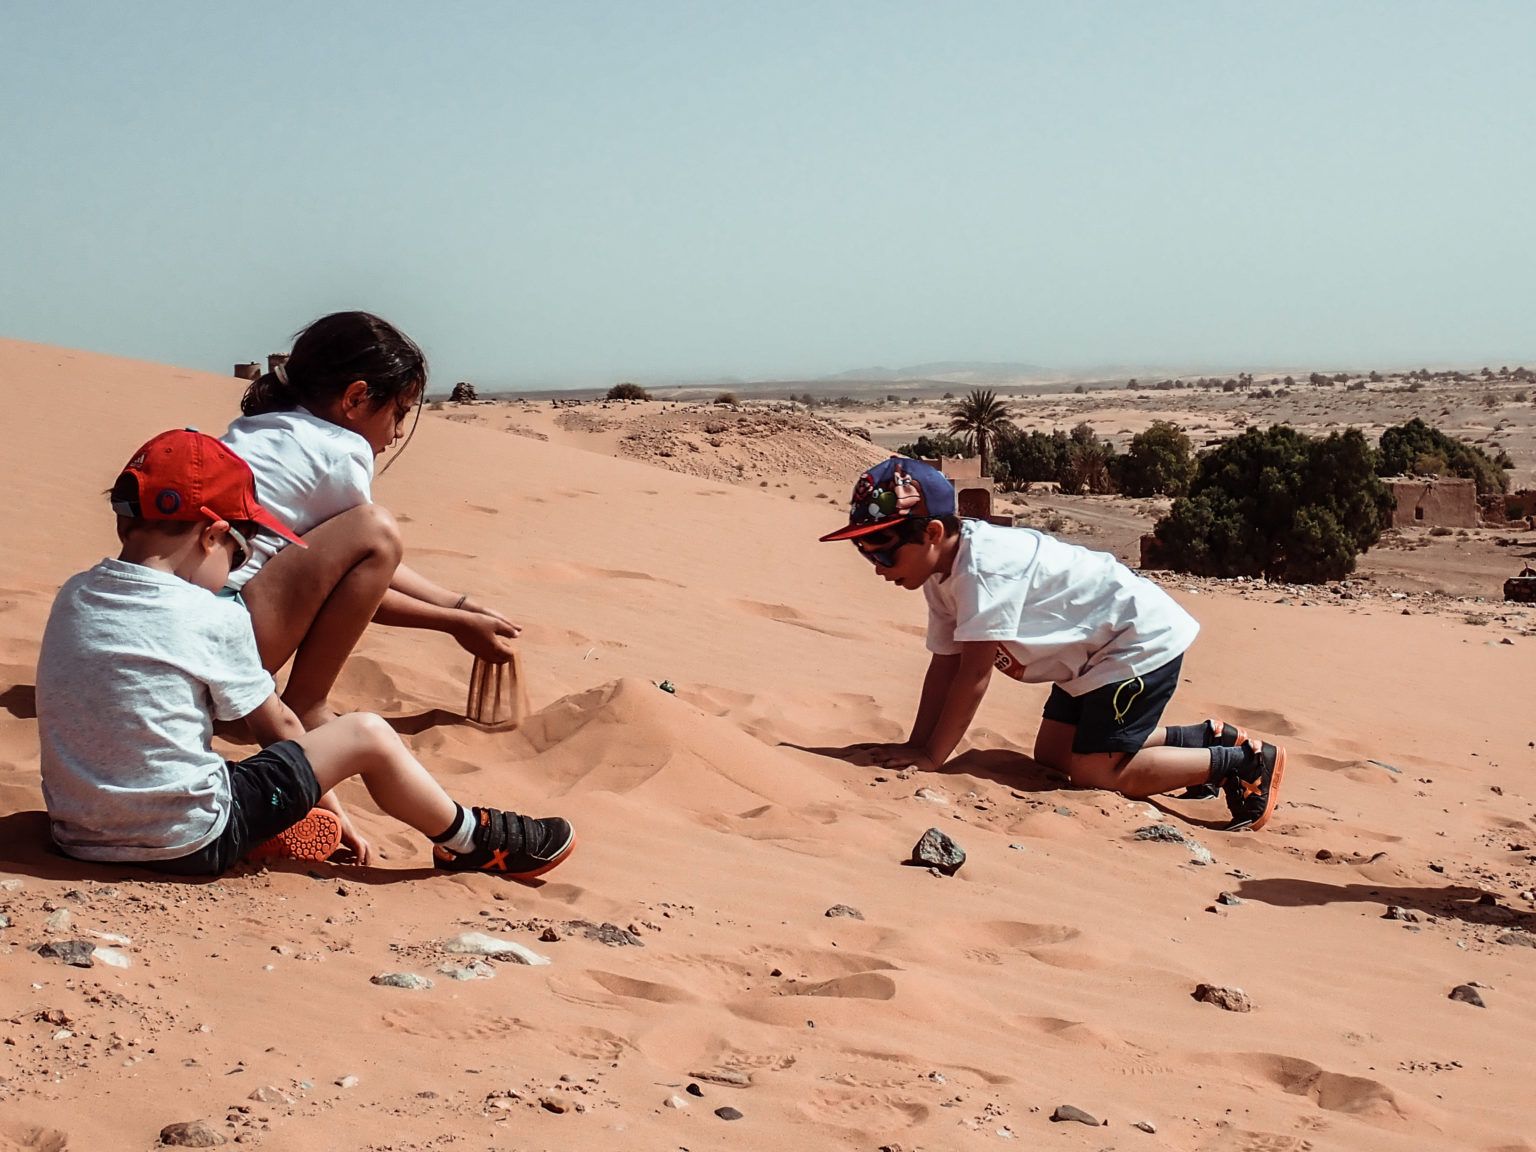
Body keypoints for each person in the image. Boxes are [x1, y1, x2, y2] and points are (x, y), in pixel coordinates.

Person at [35, 429, 574, 878]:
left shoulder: (74, 595)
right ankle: (469, 839)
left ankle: (266, 825)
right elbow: (282, 728)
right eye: (240, 551)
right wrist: (329, 806)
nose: (236, 571)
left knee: (199, 761)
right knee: (366, 735)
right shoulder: (210, 614)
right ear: (212, 535)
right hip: (189, 843)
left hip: (76, 836)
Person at [819, 456, 1285, 831]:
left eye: (882, 550)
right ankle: (1203, 738)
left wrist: (931, 758)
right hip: (1089, 655)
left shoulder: (984, 570)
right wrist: (915, 743)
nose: (876, 565)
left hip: (1134, 642)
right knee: (1053, 757)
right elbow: (944, 665)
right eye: (864, 552)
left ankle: (1240, 763)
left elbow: (973, 676)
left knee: (1093, 773)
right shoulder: (941, 573)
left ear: (933, 533)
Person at [219, 311, 519, 730]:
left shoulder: (261, 429)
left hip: (183, 638)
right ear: (356, 399)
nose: (396, 434)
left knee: (372, 533)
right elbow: (364, 567)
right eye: (399, 412)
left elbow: (356, 563)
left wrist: (457, 605)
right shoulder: (339, 449)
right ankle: (308, 704)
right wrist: (454, 620)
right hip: (222, 652)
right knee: (376, 527)